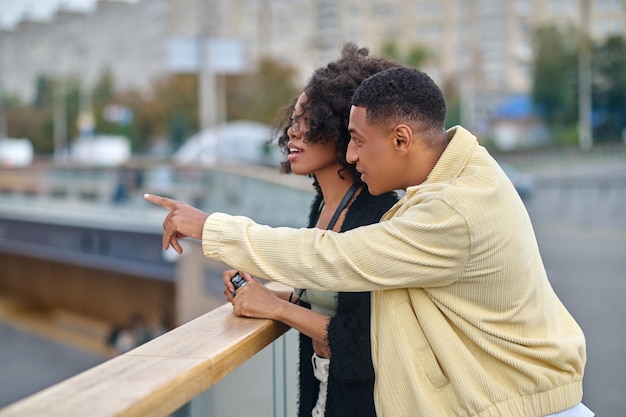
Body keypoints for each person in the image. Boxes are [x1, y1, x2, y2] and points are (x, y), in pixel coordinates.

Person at [145, 66, 591, 417]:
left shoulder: (453, 210)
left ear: (402, 139)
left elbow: (338, 258)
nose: (351, 154)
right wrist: (285, 296)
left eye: (357, 141)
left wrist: (212, 228)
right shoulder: (457, 179)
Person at [223, 43, 398, 417]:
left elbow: (363, 346)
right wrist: (262, 297)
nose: (292, 131)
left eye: (307, 119)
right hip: (322, 393)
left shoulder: (378, 214)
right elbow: (327, 301)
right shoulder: (323, 206)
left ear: (342, 129)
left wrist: (275, 307)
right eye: (294, 118)